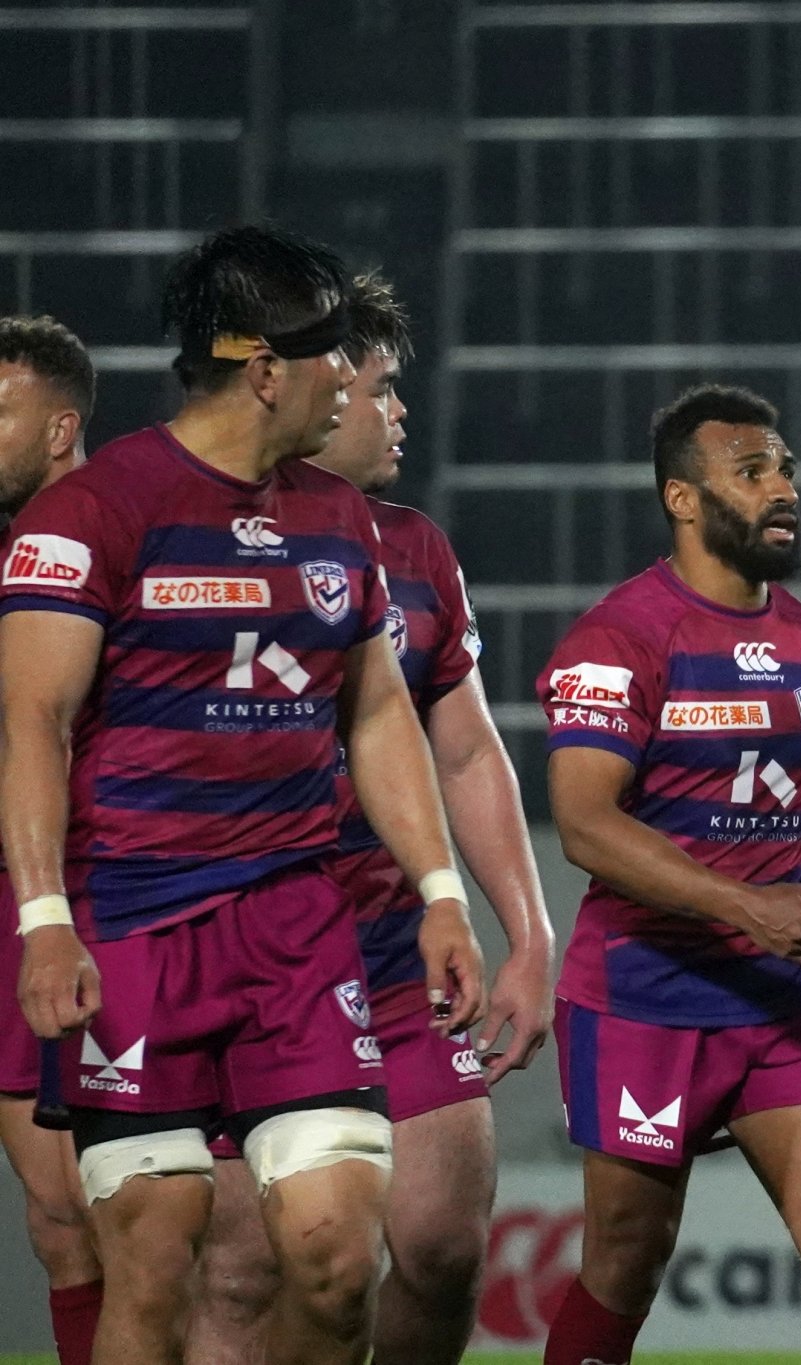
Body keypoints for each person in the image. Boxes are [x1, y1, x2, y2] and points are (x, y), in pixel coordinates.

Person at [0, 223, 487, 1365]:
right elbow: (32, 723)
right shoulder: (92, 514)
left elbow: (379, 714)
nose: (350, 377)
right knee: (152, 1268)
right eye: (332, 353)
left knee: (338, 1259)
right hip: (133, 926)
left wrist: (441, 893)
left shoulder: (338, 519)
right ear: (265, 368)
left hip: (296, 928)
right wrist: (45, 919)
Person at [187, 271, 554, 1365]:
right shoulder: (185, 526)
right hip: (239, 956)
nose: (398, 411)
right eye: (380, 388)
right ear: (315, 386)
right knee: (244, 1272)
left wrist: (528, 933)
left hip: (396, 957)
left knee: (441, 1246)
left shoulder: (417, 548)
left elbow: (468, 750)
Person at [538, 384, 801, 1365]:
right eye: (751, 472)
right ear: (683, 498)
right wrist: (743, 905)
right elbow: (582, 822)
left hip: (782, 1004)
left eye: (785, 469)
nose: (783, 488)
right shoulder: (618, 638)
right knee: (626, 1258)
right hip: (644, 998)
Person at [0, 314, 100, 1365]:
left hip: (105, 897)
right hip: (11, 895)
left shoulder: (117, 537)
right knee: (59, 1214)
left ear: (60, 426)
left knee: (133, 1205)